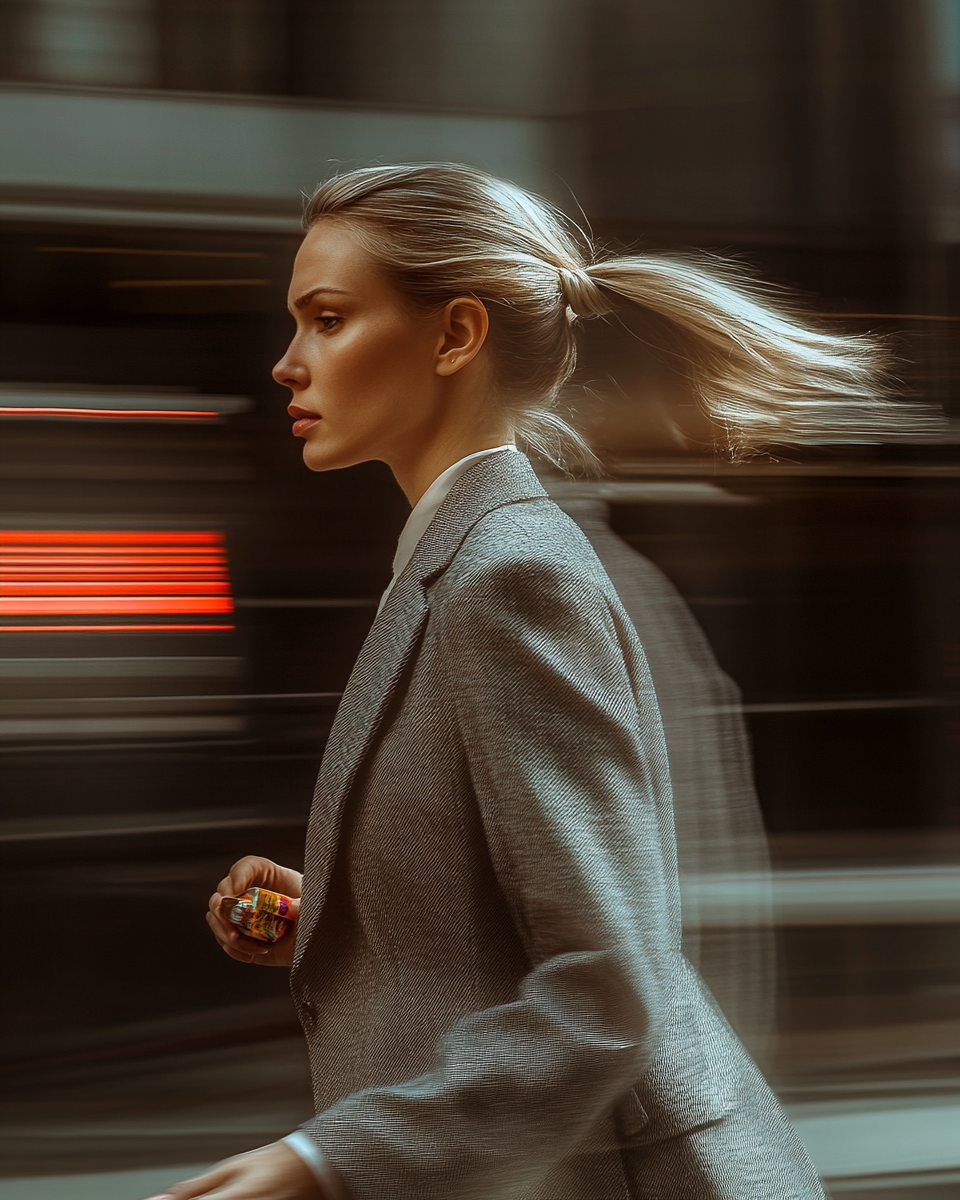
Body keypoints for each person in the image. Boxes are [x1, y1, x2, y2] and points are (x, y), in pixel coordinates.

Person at [147, 162, 900, 1200]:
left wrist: (325, 1161)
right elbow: (507, 920)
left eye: (327, 319)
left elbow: (609, 988)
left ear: (456, 336)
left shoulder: (510, 578)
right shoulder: (454, 562)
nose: (287, 363)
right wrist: (331, 917)